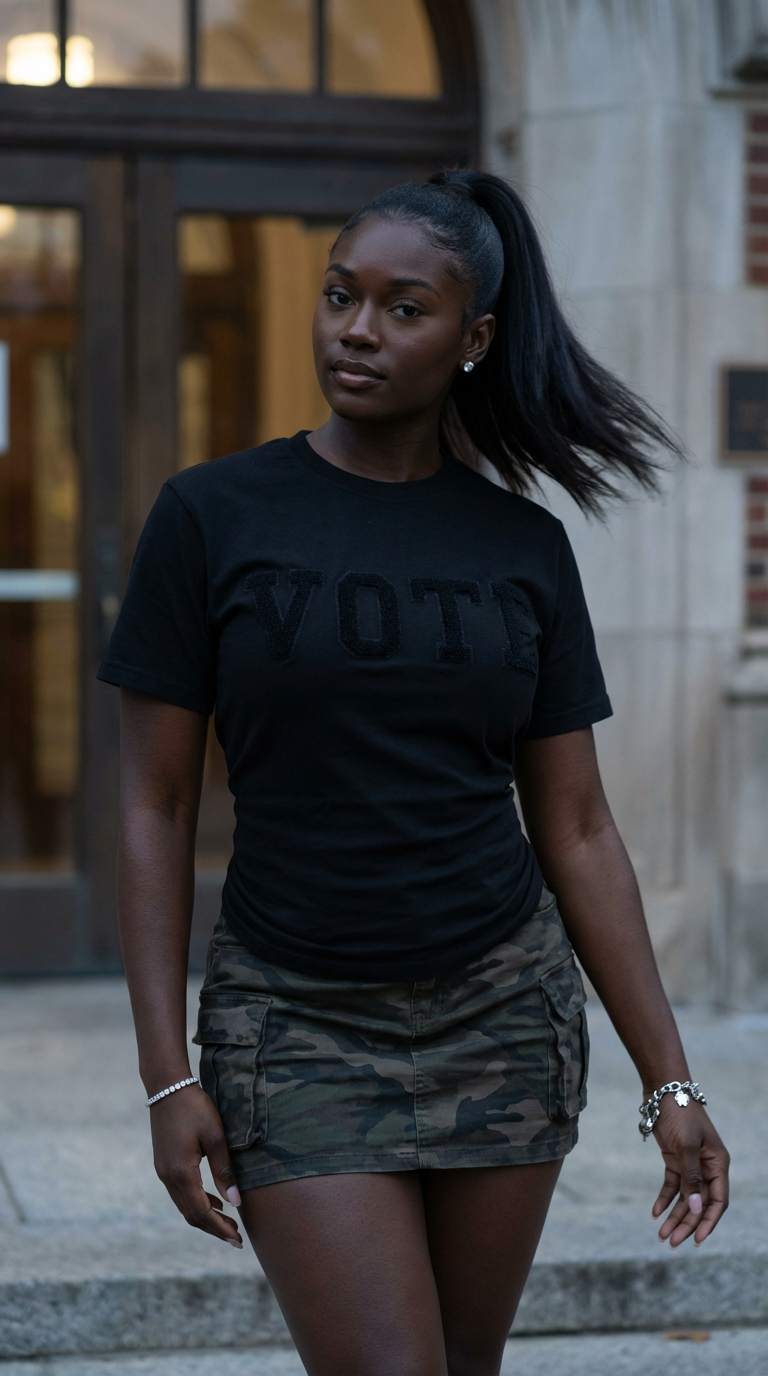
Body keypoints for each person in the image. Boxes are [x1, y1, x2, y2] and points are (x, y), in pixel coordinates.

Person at [99, 170, 729, 1376]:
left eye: (403, 307)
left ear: (473, 338)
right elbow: (154, 804)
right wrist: (165, 1074)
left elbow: (578, 826)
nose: (356, 328)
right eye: (341, 295)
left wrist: (671, 1082)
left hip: (504, 1012)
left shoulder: (523, 547)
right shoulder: (211, 516)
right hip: (295, 1018)